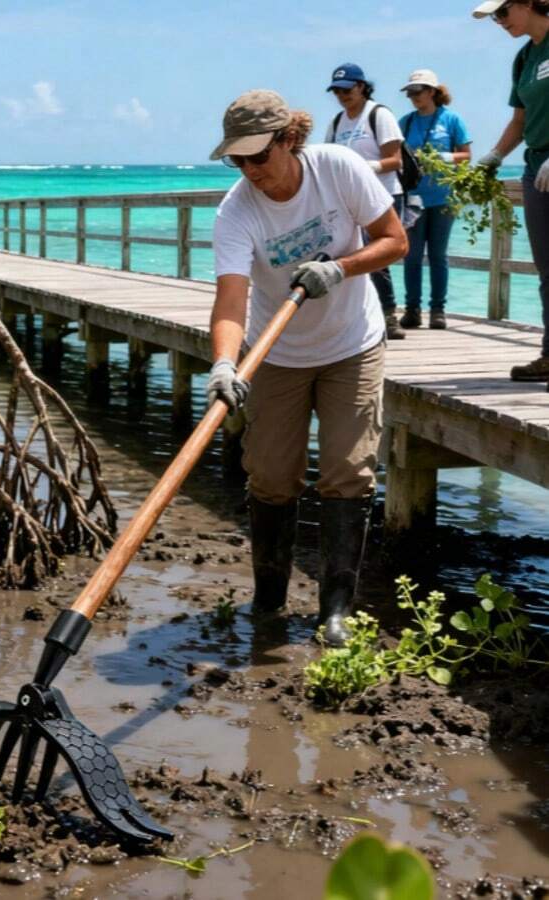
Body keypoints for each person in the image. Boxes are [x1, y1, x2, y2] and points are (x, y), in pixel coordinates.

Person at [206, 89, 407, 646]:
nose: (250, 171)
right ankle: (269, 602)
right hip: (277, 354)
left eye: (258, 156)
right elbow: (231, 301)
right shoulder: (236, 212)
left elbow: (395, 241)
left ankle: (334, 612)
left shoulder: (338, 169)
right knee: (271, 476)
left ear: (290, 139)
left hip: (352, 343)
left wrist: (340, 268)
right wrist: (224, 363)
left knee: (347, 471)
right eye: (237, 160)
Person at [473, 0, 549, 381]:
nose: (498, 22)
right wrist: (494, 155)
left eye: (502, 12)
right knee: (546, 266)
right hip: (537, 167)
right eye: (493, 17)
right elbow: (520, 120)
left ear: (526, 2)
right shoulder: (524, 59)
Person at [324, 63, 407, 340]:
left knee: (377, 256)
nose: (342, 96)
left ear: (361, 87)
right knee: (348, 252)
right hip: (348, 199)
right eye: (337, 91)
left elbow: (395, 160)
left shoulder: (378, 114)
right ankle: (354, 315)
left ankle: (388, 315)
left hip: (381, 196)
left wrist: (366, 167)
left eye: (347, 90)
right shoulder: (337, 122)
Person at [398, 70, 472, 330]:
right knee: (412, 256)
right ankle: (412, 310)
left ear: (432, 91)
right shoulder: (405, 123)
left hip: (444, 198)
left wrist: (443, 158)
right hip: (414, 198)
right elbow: (396, 156)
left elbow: (466, 155)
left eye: (417, 91)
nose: (413, 97)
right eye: (409, 92)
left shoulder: (452, 120)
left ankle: (438, 310)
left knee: (438, 256)